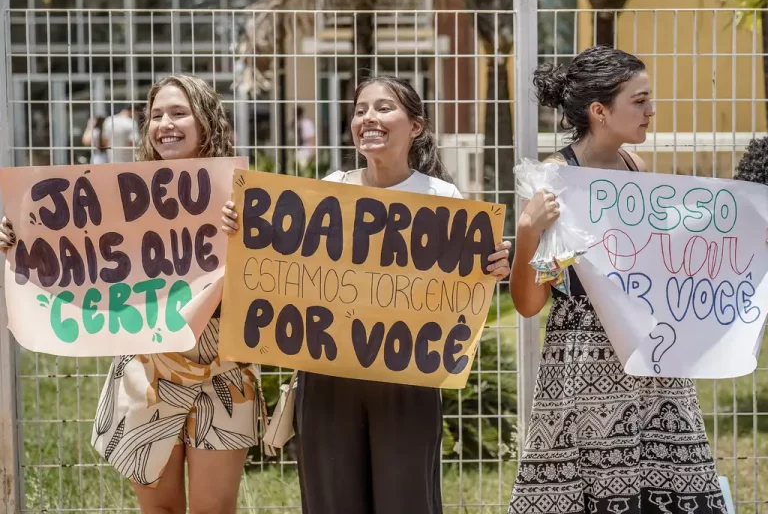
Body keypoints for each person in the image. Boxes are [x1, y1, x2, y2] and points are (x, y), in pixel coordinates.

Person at [221, 75, 512, 514]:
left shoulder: (444, 198)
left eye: (383, 107)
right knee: (331, 500)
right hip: (327, 377)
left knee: (406, 500)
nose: (368, 118)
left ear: (416, 126)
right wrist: (242, 225)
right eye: (360, 110)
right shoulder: (330, 187)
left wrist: (494, 265)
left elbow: (461, 293)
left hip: (407, 378)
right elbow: (285, 266)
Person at [1, 75, 265, 514]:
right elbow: (71, 249)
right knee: (157, 510)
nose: (166, 124)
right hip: (146, 368)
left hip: (225, 371)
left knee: (214, 509)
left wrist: (251, 231)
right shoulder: (120, 196)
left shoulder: (243, 196)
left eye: (179, 113)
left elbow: (273, 271)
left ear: (205, 121)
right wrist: (19, 235)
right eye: (156, 114)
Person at [508, 46, 727, 514]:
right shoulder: (556, 179)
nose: (651, 110)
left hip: (652, 356)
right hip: (584, 366)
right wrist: (528, 235)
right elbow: (533, 301)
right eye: (640, 100)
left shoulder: (638, 170)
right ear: (599, 111)